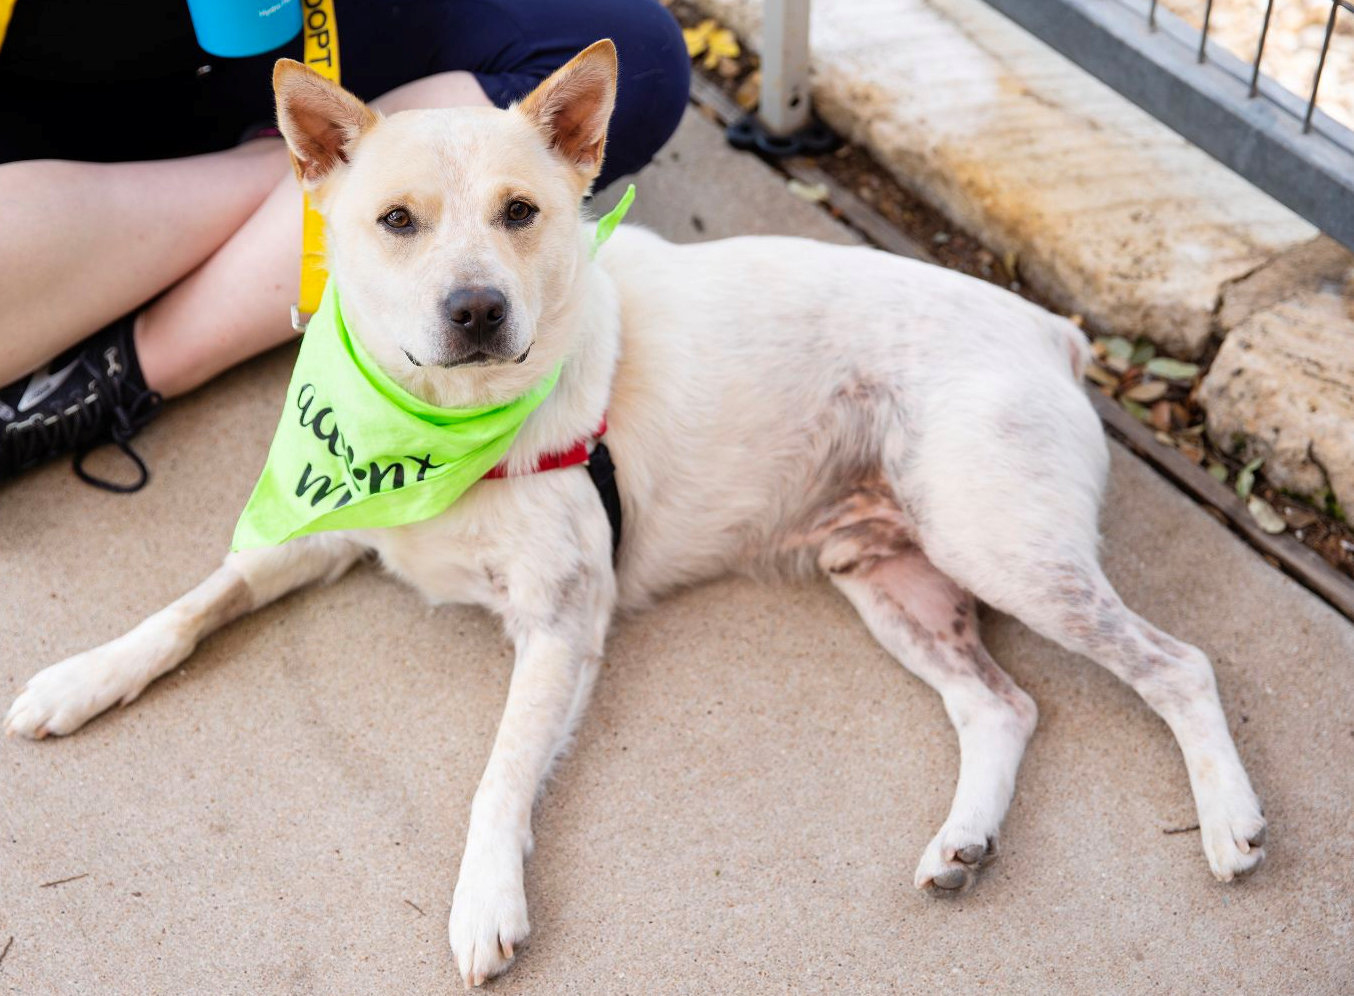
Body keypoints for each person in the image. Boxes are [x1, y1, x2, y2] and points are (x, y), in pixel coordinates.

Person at [0, 0, 688, 490]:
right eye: (399, 218)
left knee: (644, 54)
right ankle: (319, 181)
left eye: (513, 210)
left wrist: (370, 167)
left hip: (280, 28)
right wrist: (357, 164)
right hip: (46, 88)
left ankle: (117, 372)